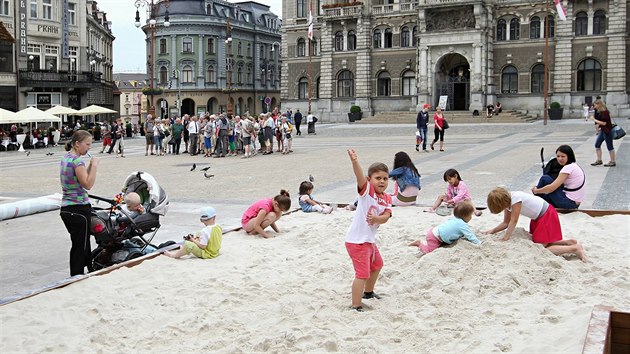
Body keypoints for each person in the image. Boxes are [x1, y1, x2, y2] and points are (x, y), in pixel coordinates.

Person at [484, 187, 587, 262]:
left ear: (502, 203)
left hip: (546, 215)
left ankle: (574, 248)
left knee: (541, 248)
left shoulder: (516, 199)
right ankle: (568, 242)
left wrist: (505, 238)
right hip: (538, 218)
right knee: (540, 241)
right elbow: (506, 222)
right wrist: (492, 231)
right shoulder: (508, 201)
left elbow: (513, 221)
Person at [345, 149, 392, 312]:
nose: (382, 181)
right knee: (362, 274)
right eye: (378, 178)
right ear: (369, 179)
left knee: (378, 264)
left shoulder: (387, 197)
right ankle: (356, 305)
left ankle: (368, 292)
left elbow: (386, 216)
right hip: (357, 241)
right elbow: (359, 177)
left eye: (385, 178)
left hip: (369, 240)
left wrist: (377, 219)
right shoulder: (367, 191)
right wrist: (355, 162)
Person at [59, 130, 99, 276]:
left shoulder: (66, 158)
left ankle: (87, 270)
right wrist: (94, 166)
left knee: (80, 243)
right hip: (78, 209)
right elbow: (88, 184)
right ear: (77, 144)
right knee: (80, 246)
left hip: (67, 208)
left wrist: (88, 166)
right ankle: (76, 275)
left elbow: (80, 178)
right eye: (87, 144)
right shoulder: (77, 161)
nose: (89, 148)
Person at [408, 201, 480, 255]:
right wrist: (478, 243)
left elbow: (452, 229)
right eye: (470, 215)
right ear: (466, 216)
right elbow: (470, 236)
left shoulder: (454, 218)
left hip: (435, 232)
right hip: (434, 237)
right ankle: (419, 244)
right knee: (430, 251)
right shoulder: (462, 225)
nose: (471, 217)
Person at [533, 145, 585, 210]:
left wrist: (536, 191)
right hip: (574, 202)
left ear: (569, 156)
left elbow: (551, 188)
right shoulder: (574, 165)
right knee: (545, 191)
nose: (560, 159)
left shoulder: (567, 168)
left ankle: (537, 202)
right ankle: (538, 201)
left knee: (544, 178)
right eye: (558, 156)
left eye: (563, 156)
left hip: (569, 203)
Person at [589, 99, 616, 167]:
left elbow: (604, 123)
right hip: (602, 130)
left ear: (599, 105)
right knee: (597, 144)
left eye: (594, 105)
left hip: (607, 130)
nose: (594, 106)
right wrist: (597, 129)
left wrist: (594, 119)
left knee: (609, 146)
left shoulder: (605, 112)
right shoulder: (598, 112)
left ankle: (612, 161)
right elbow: (598, 122)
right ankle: (599, 160)